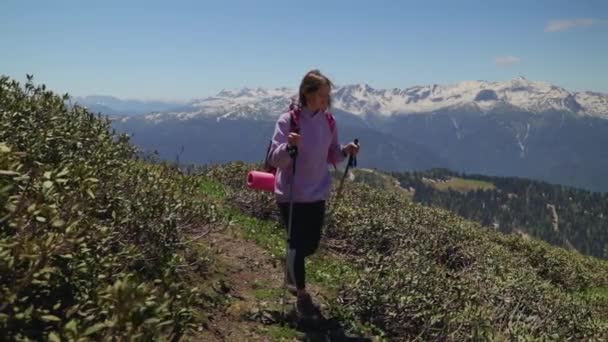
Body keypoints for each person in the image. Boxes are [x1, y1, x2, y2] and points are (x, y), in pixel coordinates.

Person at [266, 69, 359, 316]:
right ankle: (302, 294)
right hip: (291, 193)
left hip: (317, 192)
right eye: (321, 95)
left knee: (310, 245)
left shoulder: (329, 121)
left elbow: (331, 154)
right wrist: (289, 146)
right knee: (296, 244)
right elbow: (275, 158)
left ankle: (291, 270)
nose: (325, 101)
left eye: (327, 96)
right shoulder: (288, 120)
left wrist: (346, 151)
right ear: (307, 93)